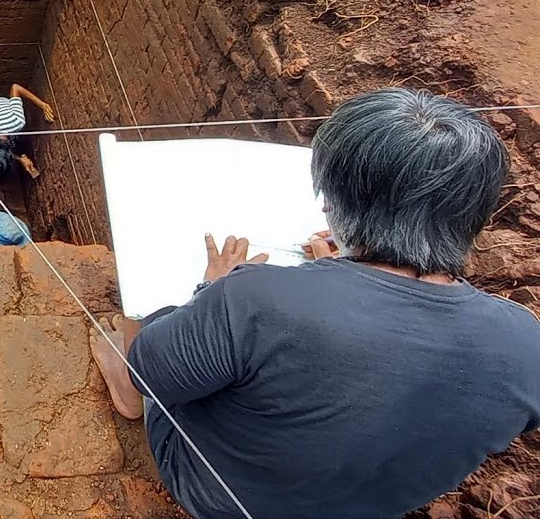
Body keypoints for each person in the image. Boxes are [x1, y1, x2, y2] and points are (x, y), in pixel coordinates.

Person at [88, 89, 540, 519]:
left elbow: (152, 371)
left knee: (147, 326)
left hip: (219, 497)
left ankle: (123, 395)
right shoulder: (526, 342)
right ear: (473, 219)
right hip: (367, 507)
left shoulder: (253, 300)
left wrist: (211, 289)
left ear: (336, 206)